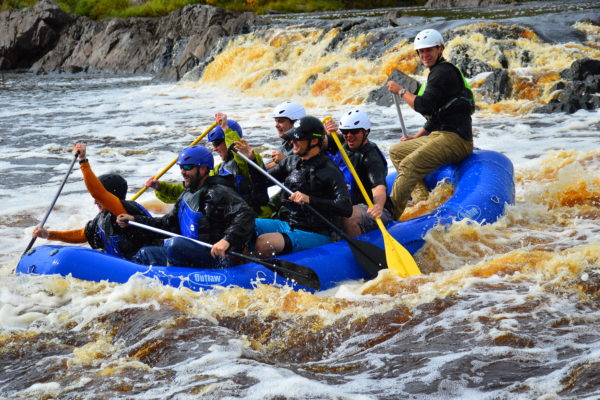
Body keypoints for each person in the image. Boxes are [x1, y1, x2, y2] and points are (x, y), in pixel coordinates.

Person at [117, 145, 256, 268]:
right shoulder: (187, 194)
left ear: (202, 169)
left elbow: (245, 214)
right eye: (181, 167)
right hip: (192, 254)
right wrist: (135, 220)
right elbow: (167, 223)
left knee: (175, 244)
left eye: (188, 167)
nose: (183, 171)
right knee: (145, 252)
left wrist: (226, 241)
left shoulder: (218, 192)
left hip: (216, 258)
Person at [386, 28, 475, 219]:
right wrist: (417, 137)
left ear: (440, 49)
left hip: (457, 139)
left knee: (409, 164)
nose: (425, 55)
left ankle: (389, 214)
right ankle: (422, 199)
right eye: (421, 51)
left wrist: (402, 91)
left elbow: (422, 105)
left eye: (429, 50)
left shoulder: (442, 72)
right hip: (440, 135)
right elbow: (437, 114)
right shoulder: (437, 72)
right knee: (397, 151)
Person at [239, 116, 352, 258]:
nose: (292, 142)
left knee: (264, 243)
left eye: (297, 139)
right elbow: (263, 181)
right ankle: (240, 269)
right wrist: (252, 160)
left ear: (314, 141)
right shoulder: (292, 162)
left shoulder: (329, 171)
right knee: (242, 224)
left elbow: (346, 207)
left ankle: (255, 271)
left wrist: (310, 200)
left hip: (316, 233)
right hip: (289, 225)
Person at [31, 143, 158, 260]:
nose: (94, 202)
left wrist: (83, 161)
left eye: (98, 199)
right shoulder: (102, 218)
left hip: (148, 262)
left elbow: (98, 192)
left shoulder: (126, 210)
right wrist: (48, 234)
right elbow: (82, 235)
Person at [145, 114, 270, 217]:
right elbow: (193, 190)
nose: (214, 149)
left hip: (253, 217)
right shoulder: (219, 169)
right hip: (230, 217)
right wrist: (161, 188)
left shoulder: (248, 160)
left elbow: (237, 151)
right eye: (213, 144)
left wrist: (226, 129)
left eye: (217, 143)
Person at [324, 109, 394, 236]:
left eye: (354, 131)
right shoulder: (343, 143)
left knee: (349, 217)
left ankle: (360, 249)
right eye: (345, 131)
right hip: (347, 204)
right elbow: (318, 143)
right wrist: (324, 131)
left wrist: (378, 206)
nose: (349, 135)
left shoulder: (371, 157)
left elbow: (378, 187)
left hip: (373, 209)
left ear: (365, 132)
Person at [267, 101, 306, 169]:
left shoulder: (305, 144)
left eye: (281, 121)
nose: (276, 125)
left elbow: (306, 168)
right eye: (276, 121)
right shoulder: (286, 141)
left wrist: (285, 161)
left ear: (296, 123)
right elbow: (271, 166)